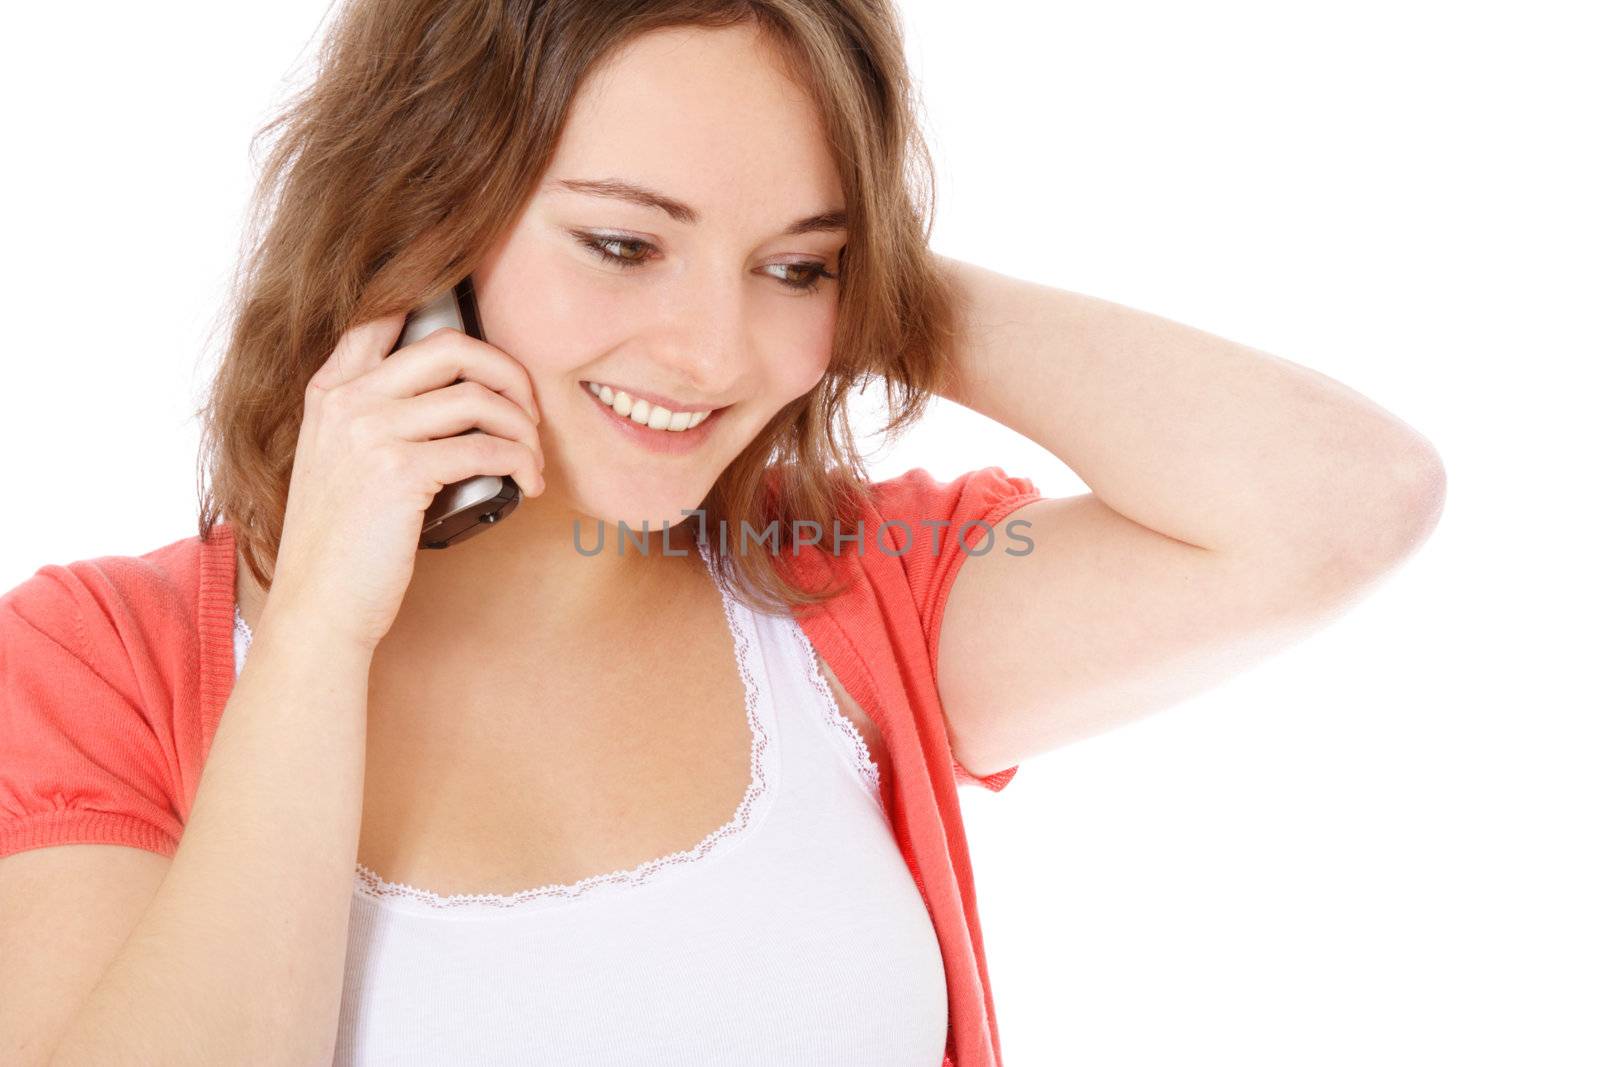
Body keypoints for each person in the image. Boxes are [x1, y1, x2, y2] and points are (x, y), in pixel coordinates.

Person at [0, 2, 1446, 1065]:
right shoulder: (95, 662)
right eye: (624, 243)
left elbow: (1344, 505)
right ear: (426, 214)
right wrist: (315, 631)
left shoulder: (855, 598)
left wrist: (884, 276)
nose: (710, 351)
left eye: (792, 266)